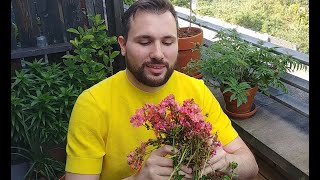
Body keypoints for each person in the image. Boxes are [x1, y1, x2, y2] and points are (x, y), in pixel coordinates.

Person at [64, 0, 259, 179]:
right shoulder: (92, 105)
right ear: (123, 45)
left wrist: (225, 162)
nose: (158, 53)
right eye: (145, 42)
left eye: (167, 42)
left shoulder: (196, 90)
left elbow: (250, 165)